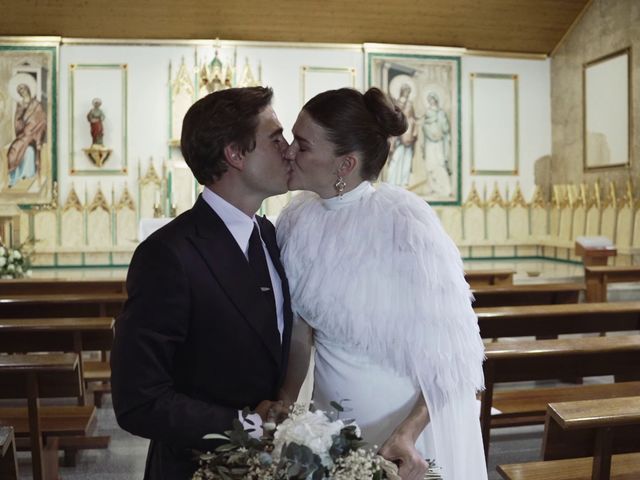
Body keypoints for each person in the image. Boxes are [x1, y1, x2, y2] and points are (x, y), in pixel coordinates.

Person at [277, 87, 487, 480]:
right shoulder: (295, 220)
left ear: (345, 164)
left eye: (302, 145)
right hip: (331, 428)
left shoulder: (405, 225)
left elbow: (456, 360)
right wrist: (287, 400)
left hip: (404, 433)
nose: (288, 151)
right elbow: (301, 330)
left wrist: (407, 433)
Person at [111, 86, 293, 480]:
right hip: (195, 467)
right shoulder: (168, 254)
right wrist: (247, 426)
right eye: (276, 138)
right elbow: (137, 400)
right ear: (235, 154)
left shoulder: (273, 237)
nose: (289, 149)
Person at [7, 82, 46, 188]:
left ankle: (26, 175)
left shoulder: (36, 105)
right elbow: (17, 123)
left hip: (33, 136)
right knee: (13, 151)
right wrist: (21, 121)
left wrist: (36, 137)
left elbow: (41, 121)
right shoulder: (20, 105)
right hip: (23, 135)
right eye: (20, 91)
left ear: (28, 89)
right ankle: (14, 177)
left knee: (29, 151)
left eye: (23, 89)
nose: (22, 92)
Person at [386, 83, 418, 187]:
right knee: (396, 157)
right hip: (397, 135)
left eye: (408, 92)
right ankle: (392, 180)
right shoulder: (396, 103)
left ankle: (404, 181)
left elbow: (413, 118)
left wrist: (413, 127)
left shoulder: (410, 104)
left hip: (408, 135)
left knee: (407, 157)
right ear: (402, 91)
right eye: (405, 91)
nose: (407, 93)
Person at [422, 92, 453, 197]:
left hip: (439, 143)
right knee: (430, 164)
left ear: (436, 100)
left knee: (439, 164)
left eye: (433, 99)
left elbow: (445, 128)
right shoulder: (427, 113)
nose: (431, 101)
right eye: (429, 100)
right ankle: (433, 187)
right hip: (430, 143)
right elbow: (424, 127)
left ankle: (445, 188)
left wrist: (439, 133)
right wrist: (430, 134)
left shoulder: (441, 113)